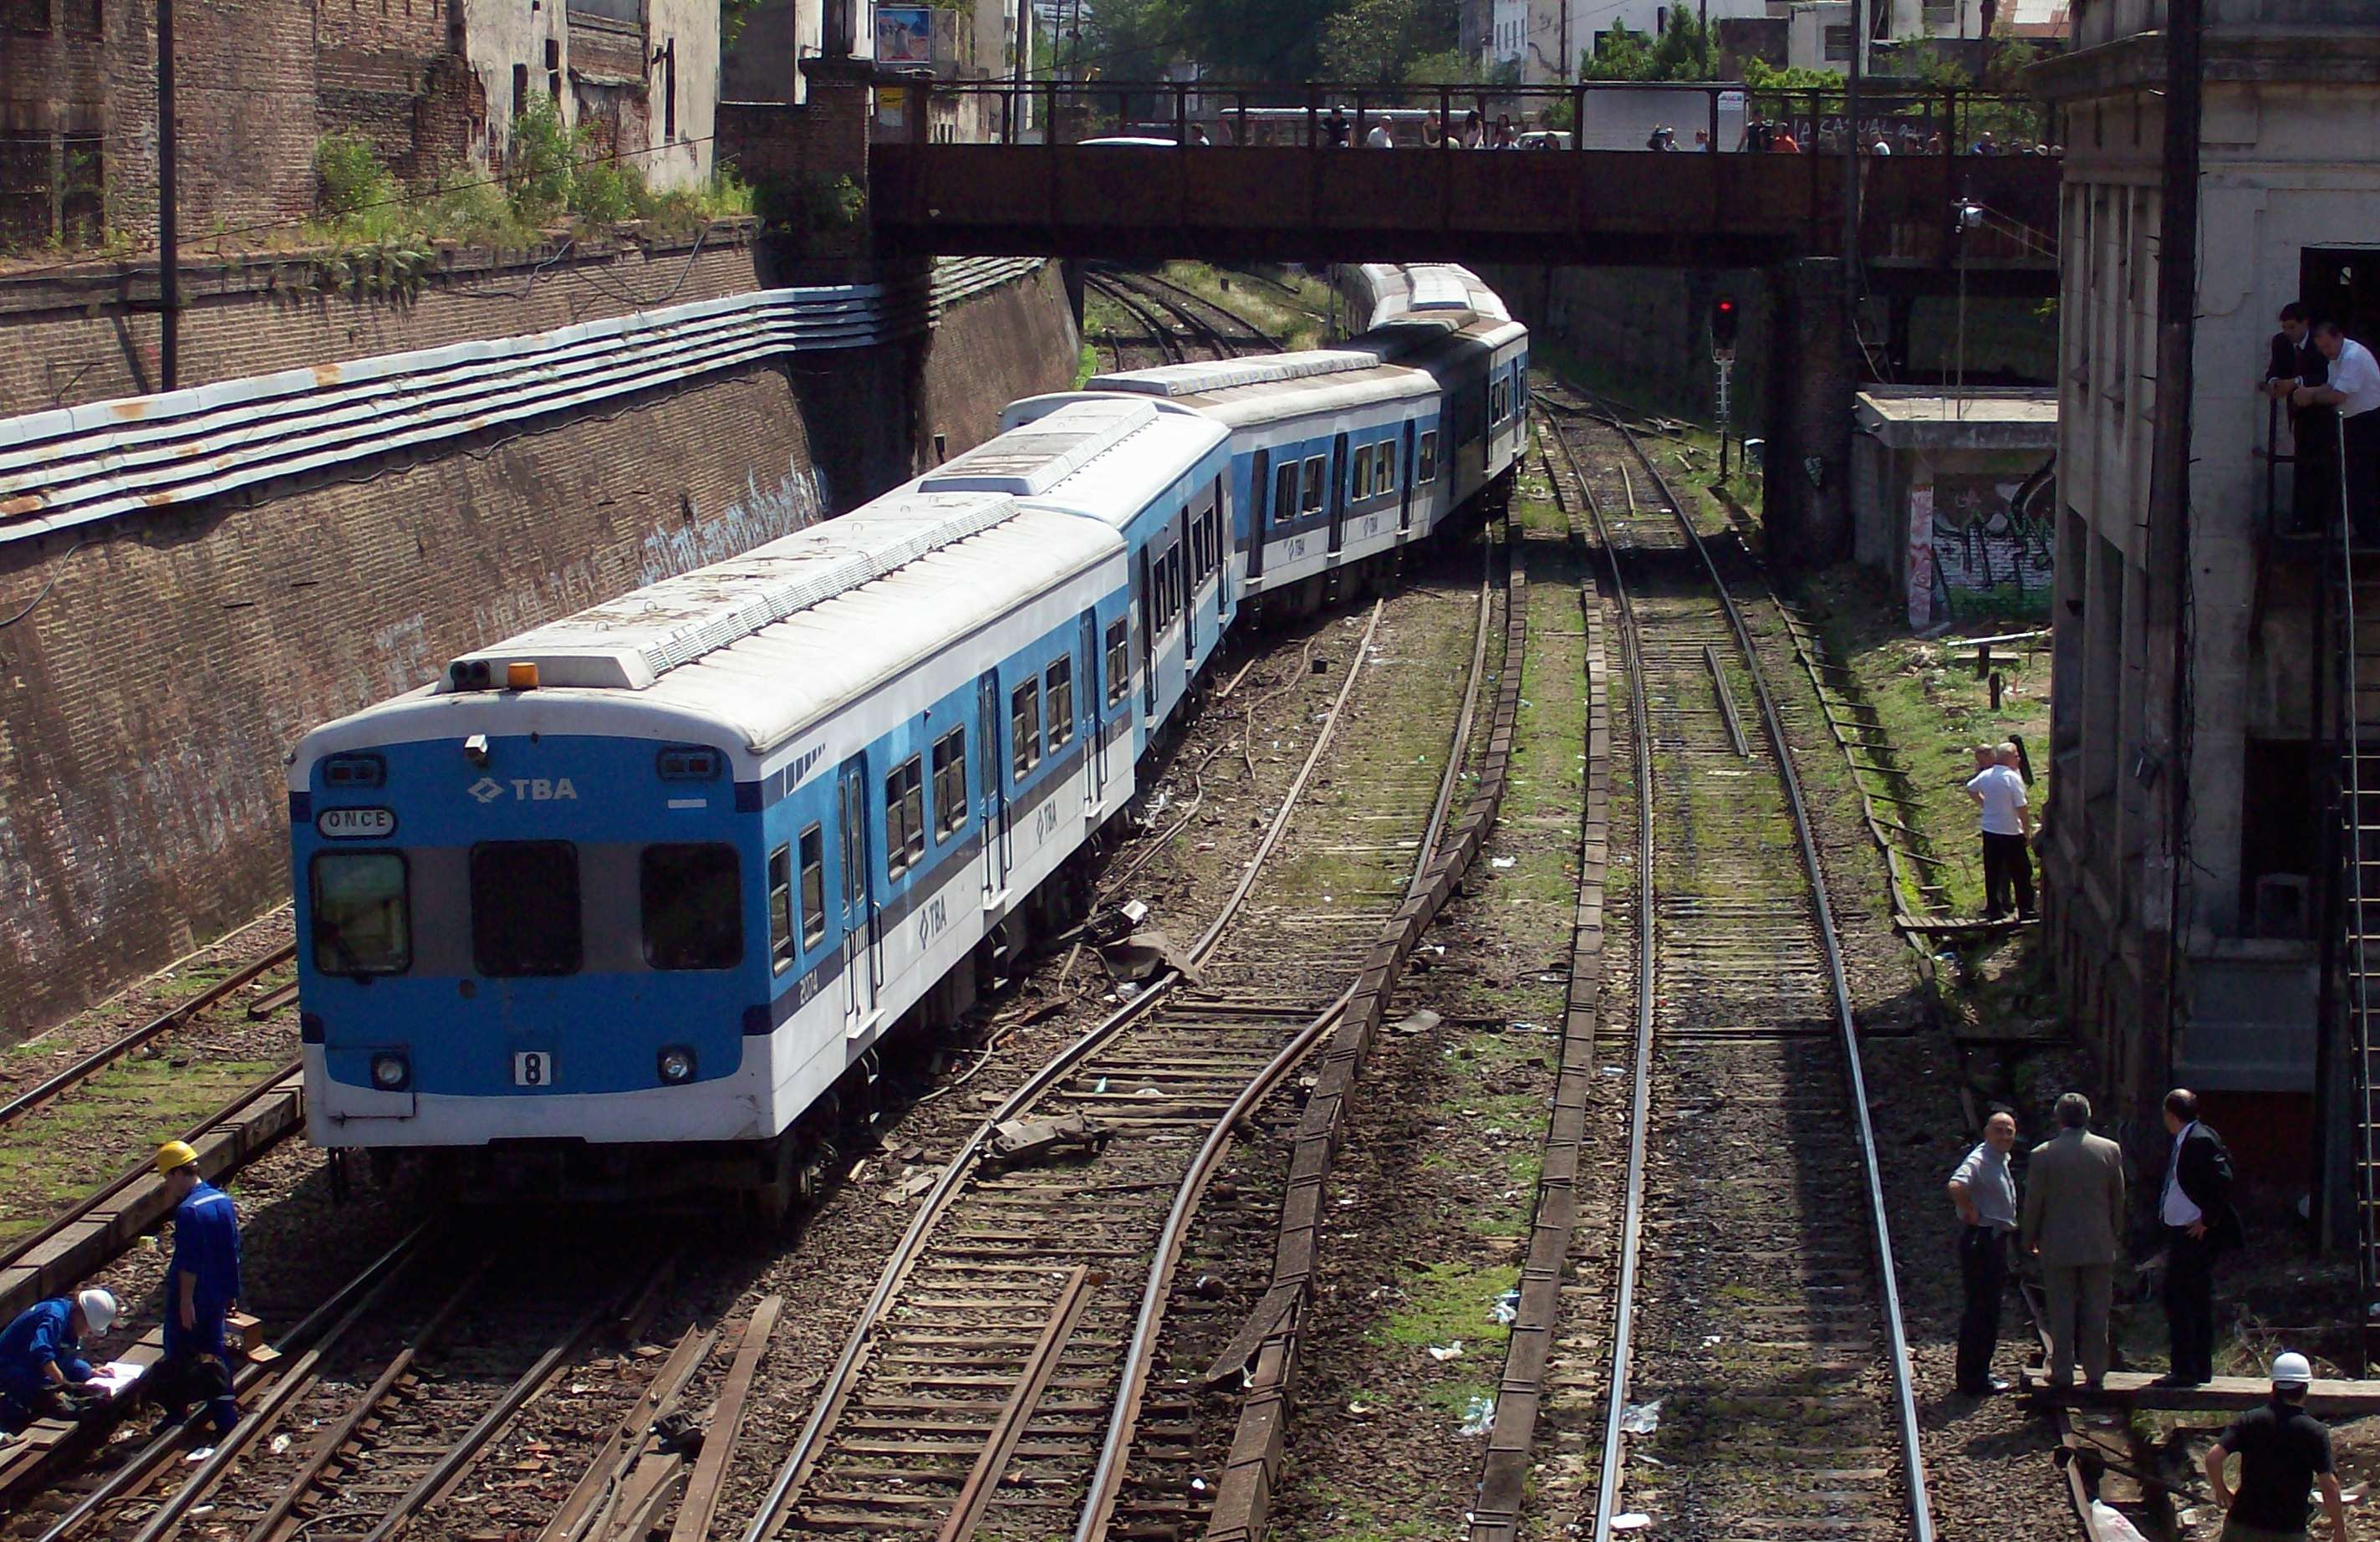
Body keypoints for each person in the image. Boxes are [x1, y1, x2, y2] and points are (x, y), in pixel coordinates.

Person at [2020, 1091, 2125, 1390]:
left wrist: (2029, 1238)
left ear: (2059, 1118)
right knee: (2097, 1310)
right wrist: (2115, 1233)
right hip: (2098, 1244)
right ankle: (2095, 1372)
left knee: (2061, 1310)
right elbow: (2118, 1198)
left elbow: (2034, 1203)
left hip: (2058, 1244)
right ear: (2088, 1117)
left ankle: (2063, 1370)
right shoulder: (2109, 1150)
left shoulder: (2043, 1154)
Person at [2204, 1352, 2351, 1542]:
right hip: (2287, 1530)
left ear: (2274, 1387)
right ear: (2305, 1389)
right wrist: (2339, 1529)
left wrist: (2222, 1491)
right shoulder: (2314, 1432)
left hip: (2242, 1524)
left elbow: (2213, 1457)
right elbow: (2329, 1484)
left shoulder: (2250, 1420)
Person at [149, 1141, 242, 1438]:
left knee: (178, 1351)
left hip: (192, 1295)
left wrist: (185, 1300)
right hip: (217, 1291)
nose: (168, 1185)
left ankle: (177, 1413)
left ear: (178, 1173)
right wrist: (231, 1292)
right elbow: (232, 1251)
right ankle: (225, 1415)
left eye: (167, 1177)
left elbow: (189, 1262)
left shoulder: (188, 1212)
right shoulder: (223, 1201)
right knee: (214, 1351)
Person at [2157, 1088, 2243, 1387]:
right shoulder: (2190, 1138)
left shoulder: (2200, 1140)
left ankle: (2187, 1370)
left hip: (2194, 1235)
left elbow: (2224, 1180)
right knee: (2187, 1297)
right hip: (2182, 1232)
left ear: (2171, 1114)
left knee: (2182, 1298)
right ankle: (2194, 1367)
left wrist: (2208, 1218)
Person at [1948, 1110, 2020, 1396]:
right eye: (1999, 1130)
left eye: (2009, 1131)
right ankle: (1974, 1378)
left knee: (1987, 1309)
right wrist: (1970, 1210)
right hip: (1983, 1241)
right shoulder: (1980, 1159)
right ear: (1987, 1133)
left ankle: (1976, 1372)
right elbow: (1956, 1184)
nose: (2004, 1136)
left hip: (1993, 1239)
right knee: (1982, 1310)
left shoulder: (1999, 1158)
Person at [2295, 319, 2380, 545]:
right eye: (2322, 349)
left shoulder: (2353, 357)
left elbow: (2339, 395)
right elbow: (2331, 385)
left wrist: (2310, 398)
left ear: (2339, 337)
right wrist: (2307, 390)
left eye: (2328, 347)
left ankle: (2371, 534)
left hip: (2367, 422)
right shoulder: (2335, 358)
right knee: (2350, 478)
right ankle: (2358, 528)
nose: (2326, 352)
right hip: (2352, 422)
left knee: (2363, 480)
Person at [0, 1289, 116, 1434]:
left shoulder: (69, 1322)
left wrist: (89, 1372)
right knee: (41, 1400)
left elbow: (64, 1359)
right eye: (89, 1328)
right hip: (10, 1365)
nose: (88, 1333)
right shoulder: (55, 1316)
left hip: (28, 1364)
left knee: (77, 1375)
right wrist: (64, 1385)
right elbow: (40, 1351)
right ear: (80, 1315)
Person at [2270, 304, 2335, 534]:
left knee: (2317, 463)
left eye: (2292, 327)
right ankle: (2301, 517)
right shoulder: (2280, 343)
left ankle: (2318, 518)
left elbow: (2326, 374)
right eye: (2285, 327)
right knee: (2301, 462)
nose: (2288, 332)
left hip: (2319, 412)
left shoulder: (2320, 344)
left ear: (2305, 324)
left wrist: (2297, 382)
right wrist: (2275, 384)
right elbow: (2274, 371)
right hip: (2297, 411)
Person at [1966, 740, 2033, 920]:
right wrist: (2027, 832)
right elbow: (2022, 807)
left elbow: (1970, 788)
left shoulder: (1987, 775)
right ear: (2008, 758)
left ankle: (1995, 910)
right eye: (2016, 756)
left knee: (1993, 870)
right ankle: (2026, 909)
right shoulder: (2012, 778)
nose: (2019, 759)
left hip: (1990, 829)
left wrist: (1984, 803)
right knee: (2021, 871)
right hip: (2011, 831)